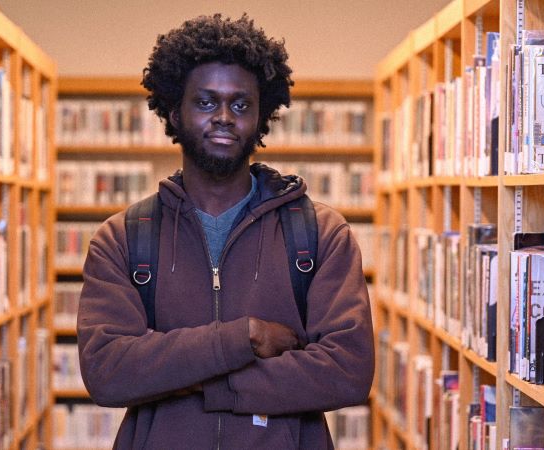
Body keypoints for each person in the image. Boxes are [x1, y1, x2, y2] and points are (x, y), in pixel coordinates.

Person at [77, 13, 374, 449]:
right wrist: (246, 336)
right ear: (175, 111)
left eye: (240, 104)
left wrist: (203, 381)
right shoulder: (122, 238)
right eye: (205, 102)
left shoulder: (320, 234)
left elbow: (347, 371)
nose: (223, 117)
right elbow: (108, 372)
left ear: (262, 116)